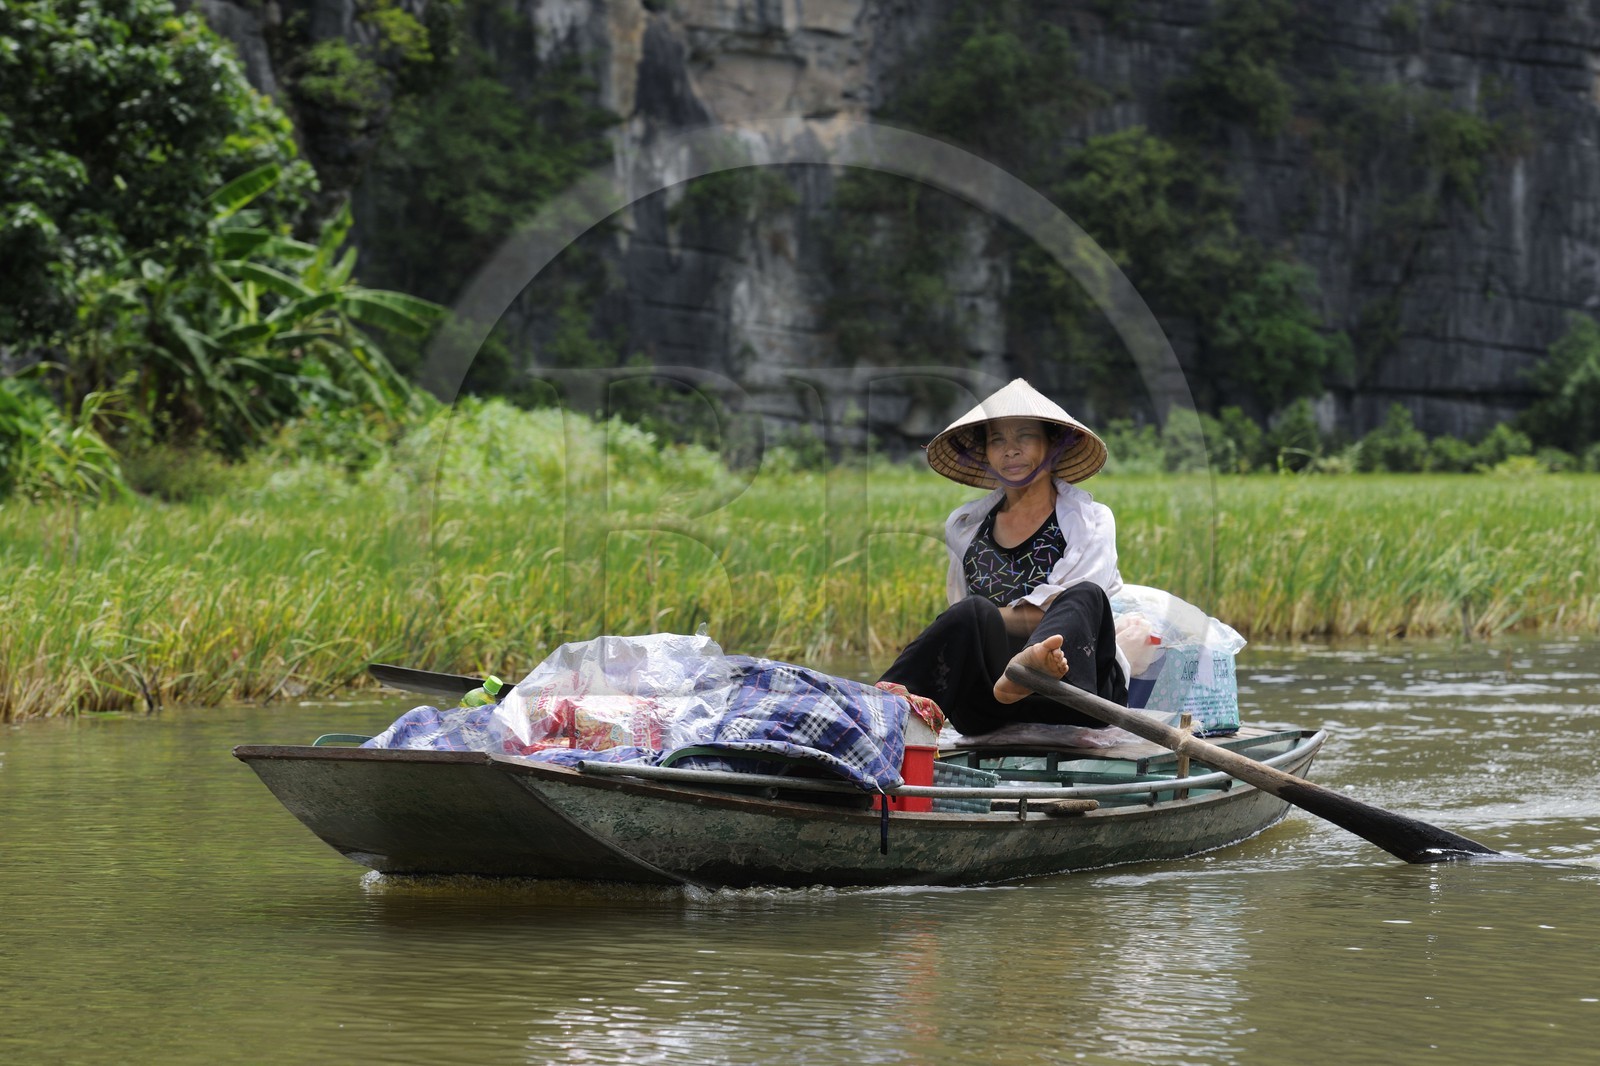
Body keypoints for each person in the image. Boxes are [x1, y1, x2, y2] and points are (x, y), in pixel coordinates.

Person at [878, 378, 1129, 735]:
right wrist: (980, 621)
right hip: (993, 701)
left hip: (1074, 694)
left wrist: (989, 621)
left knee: (1086, 594)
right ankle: (876, 709)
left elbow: (1060, 614)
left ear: (1052, 444)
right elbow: (967, 627)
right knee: (970, 611)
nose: (1010, 450)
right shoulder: (966, 527)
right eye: (997, 440)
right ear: (987, 453)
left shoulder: (1092, 520)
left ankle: (1032, 669)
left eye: (1024, 436)